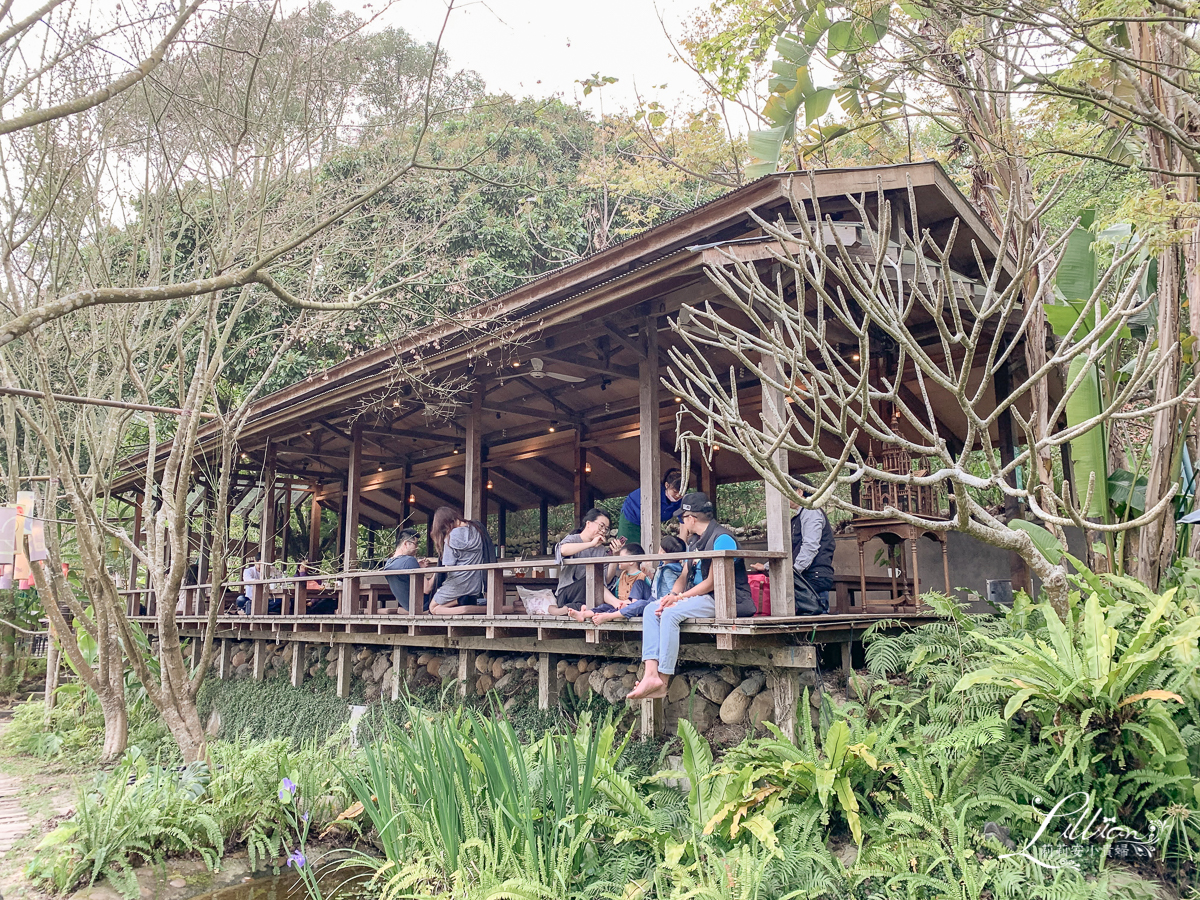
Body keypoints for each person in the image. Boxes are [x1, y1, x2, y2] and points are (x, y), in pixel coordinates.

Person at [628, 492, 755, 700]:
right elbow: (684, 575)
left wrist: (678, 599)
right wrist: (672, 595)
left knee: (669, 614)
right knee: (652, 609)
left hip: (724, 599)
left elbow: (713, 582)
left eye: (682, 519)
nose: (682, 523)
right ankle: (650, 673)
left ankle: (663, 679)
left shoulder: (722, 538)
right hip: (696, 598)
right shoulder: (695, 543)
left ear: (691, 518)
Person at [548, 508, 623, 615]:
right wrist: (591, 544)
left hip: (588, 595)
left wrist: (615, 556)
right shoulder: (573, 539)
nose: (603, 531)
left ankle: (567, 610)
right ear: (588, 523)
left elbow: (606, 578)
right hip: (567, 594)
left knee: (594, 590)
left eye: (606, 529)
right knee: (591, 579)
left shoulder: (601, 549)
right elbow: (562, 550)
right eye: (601, 526)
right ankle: (617, 604)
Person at [428, 507, 495, 616]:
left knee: (433, 608)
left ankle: (461, 603)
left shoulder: (451, 537)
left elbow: (448, 566)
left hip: (457, 583)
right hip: (475, 585)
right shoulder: (477, 529)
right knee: (438, 607)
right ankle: (465, 602)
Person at [790, 480, 836, 615]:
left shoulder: (811, 512)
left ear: (799, 491)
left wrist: (793, 572)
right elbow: (794, 548)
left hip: (813, 578)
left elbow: (810, 546)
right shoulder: (800, 515)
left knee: (815, 624)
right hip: (805, 578)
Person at [588, 542, 657, 624]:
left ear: (631, 561)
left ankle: (608, 614)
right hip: (619, 605)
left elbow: (649, 594)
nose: (618, 560)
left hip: (635, 608)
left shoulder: (643, 576)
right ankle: (585, 614)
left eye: (621, 557)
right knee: (603, 605)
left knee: (638, 584)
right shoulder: (622, 575)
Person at [617, 468, 683, 543]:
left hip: (650, 524)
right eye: (675, 491)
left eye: (681, 493)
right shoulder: (653, 492)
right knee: (627, 547)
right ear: (666, 485)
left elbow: (683, 520)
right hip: (631, 517)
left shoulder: (681, 500)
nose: (678, 495)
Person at [381, 529, 433, 613]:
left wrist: (418, 567)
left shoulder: (388, 563)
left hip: (408, 606)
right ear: (405, 543)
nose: (417, 548)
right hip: (424, 605)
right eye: (415, 544)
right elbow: (427, 588)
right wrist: (438, 571)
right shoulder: (409, 560)